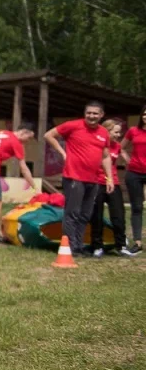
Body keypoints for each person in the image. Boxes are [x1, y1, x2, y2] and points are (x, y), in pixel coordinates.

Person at [44, 100, 115, 258]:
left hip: (94, 179)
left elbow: (105, 157)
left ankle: (78, 245)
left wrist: (109, 178)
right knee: (72, 213)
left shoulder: (103, 133)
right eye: (88, 113)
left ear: (101, 115)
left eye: (95, 113)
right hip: (74, 177)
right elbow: (48, 135)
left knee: (85, 215)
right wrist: (63, 153)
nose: (91, 116)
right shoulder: (73, 125)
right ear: (84, 113)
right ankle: (70, 247)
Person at [90, 118, 136, 257]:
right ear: (106, 131)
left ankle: (121, 246)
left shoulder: (117, 146)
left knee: (118, 216)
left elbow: (124, 158)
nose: (118, 135)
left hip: (113, 183)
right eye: (115, 132)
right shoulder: (95, 145)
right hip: (96, 183)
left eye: (119, 132)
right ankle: (97, 246)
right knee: (96, 216)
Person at [122, 106, 146, 254]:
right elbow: (121, 147)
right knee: (136, 207)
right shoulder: (133, 131)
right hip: (134, 173)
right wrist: (128, 160)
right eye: (144, 114)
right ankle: (137, 242)